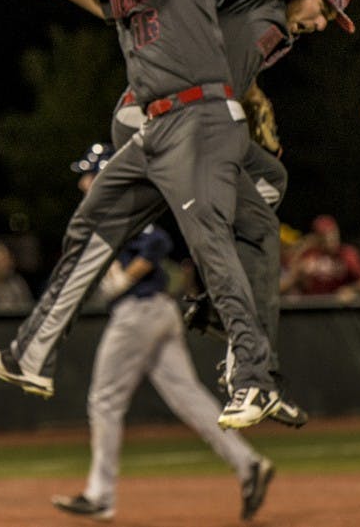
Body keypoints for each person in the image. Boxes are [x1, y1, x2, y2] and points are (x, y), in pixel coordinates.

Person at [0, 0, 281, 428]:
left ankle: (254, 379)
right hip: (155, 131)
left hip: (203, 119)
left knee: (209, 242)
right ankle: (30, 356)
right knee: (90, 224)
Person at [110, 0, 360, 425]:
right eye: (324, 9)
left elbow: (221, 55)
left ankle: (237, 341)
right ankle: (250, 371)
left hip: (187, 129)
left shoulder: (276, 33)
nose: (323, 24)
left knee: (269, 187)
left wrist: (253, 99)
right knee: (253, 230)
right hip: (155, 120)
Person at [51, 143, 274, 522]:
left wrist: (125, 277)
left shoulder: (119, 202)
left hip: (139, 311)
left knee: (104, 400)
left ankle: (100, 494)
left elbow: (158, 241)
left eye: (88, 175)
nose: (83, 184)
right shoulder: (111, 209)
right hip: (156, 312)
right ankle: (248, 462)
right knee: (187, 396)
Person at [280, 214, 360, 302]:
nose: (330, 239)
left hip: (337, 308)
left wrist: (351, 290)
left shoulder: (347, 254)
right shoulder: (309, 254)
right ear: (317, 237)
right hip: (312, 306)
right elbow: (289, 279)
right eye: (324, 235)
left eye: (332, 234)